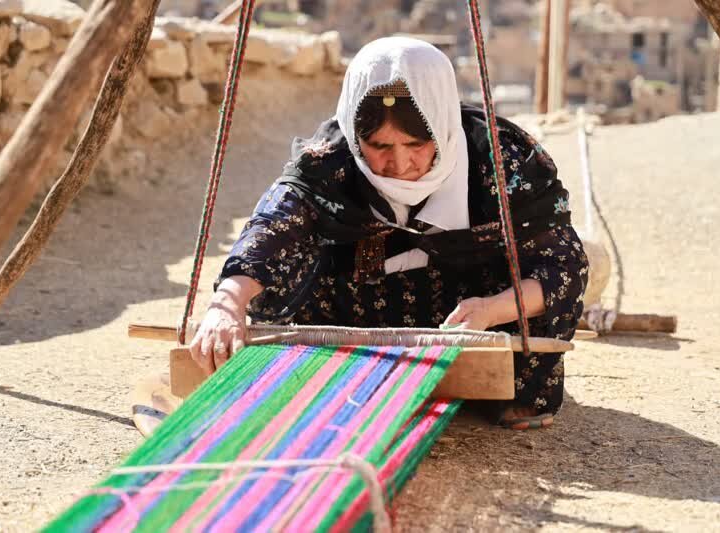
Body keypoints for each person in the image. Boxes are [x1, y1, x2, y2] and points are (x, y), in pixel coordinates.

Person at [190, 37, 588, 429]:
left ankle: (508, 393)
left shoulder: (504, 162)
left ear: (443, 125)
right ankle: (331, 378)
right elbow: (272, 230)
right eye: (378, 145)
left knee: (547, 295)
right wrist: (227, 304)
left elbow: (564, 266)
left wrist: (491, 310)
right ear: (354, 134)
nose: (399, 163)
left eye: (416, 143)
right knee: (282, 268)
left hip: (472, 319)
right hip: (356, 315)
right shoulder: (329, 161)